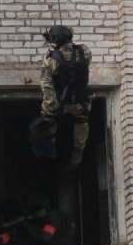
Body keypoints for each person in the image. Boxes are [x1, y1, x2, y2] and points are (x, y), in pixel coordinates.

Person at [30, 25, 92, 167]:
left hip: (60, 104)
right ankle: (78, 151)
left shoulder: (52, 59)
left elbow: (46, 84)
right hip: (81, 103)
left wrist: (53, 104)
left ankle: (50, 148)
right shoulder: (85, 51)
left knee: (46, 117)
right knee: (82, 121)